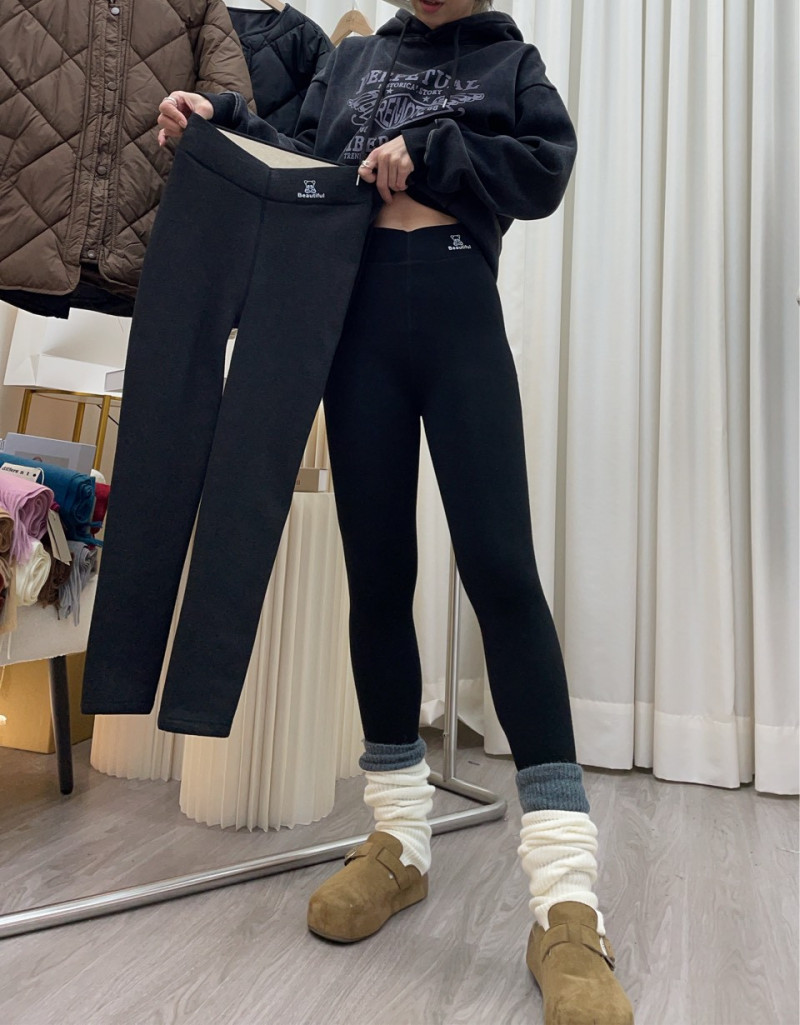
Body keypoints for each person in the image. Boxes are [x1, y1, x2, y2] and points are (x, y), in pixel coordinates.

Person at [156, 2, 634, 1022]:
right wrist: (221, 119)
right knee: (376, 578)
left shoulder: (510, 63)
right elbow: (297, 160)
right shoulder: (356, 60)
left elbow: (544, 170)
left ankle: (565, 897)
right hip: (356, 322)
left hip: (457, 314)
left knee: (502, 576)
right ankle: (398, 838)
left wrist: (434, 152)